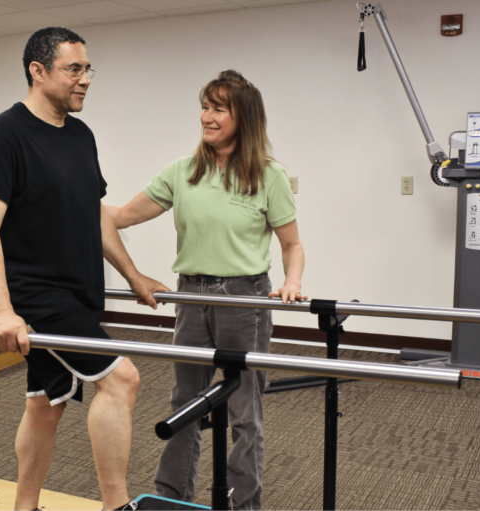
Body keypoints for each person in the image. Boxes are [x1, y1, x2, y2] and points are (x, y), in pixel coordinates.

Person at [0, 27, 170, 511]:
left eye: (87, 69)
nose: (85, 79)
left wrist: (133, 275)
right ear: (38, 72)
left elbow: (94, 213)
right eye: (73, 69)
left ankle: (25, 507)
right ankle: (116, 505)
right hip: (38, 298)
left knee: (45, 404)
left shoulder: (80, 135)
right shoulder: (2, 137)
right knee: (122, 380)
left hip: (79, 292)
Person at [105, 70, 306, 511]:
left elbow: (291, 244)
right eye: (205, 106)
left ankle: (243, 502)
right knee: (186, 401)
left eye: (218, 109)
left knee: (244, 408)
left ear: (244, 118)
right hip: (192, 297)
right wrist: (69, 194)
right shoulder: (182, 171)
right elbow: (118, 216)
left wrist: (292, 282)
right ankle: (173, 497)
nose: (206, 117)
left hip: (244, 298)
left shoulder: (268, 176)